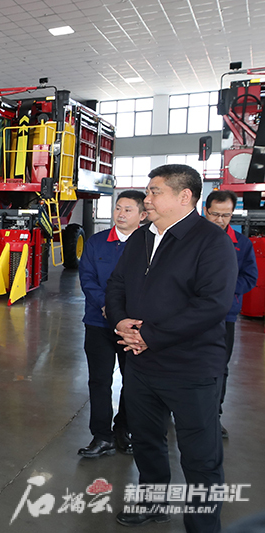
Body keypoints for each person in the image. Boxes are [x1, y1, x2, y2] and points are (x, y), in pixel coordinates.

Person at [105, 164, 236, 532]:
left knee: (200, 458)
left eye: (155, 191)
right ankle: (154, 503)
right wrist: (120, 321)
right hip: (142, 365)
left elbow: (212, 305)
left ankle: (203, 526)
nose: (147, 198)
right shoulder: (141, 238)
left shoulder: (211, 242)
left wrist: (152, 335)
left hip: (191, 368)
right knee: (147, 441)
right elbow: (117, 285)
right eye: (148, 191)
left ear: (184, 196)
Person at [77, 190, 147, 458]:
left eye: (128, 210)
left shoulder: (148, 245)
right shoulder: (96, 243)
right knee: (99, 380)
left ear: (142, 215)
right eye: (118, 208)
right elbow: (87, 279)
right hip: (98, 322)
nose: (121, 214)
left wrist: (127, 316)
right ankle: (101, 436)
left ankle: (123, 429)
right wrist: (107, 308)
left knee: (134, 381)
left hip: (133, 327)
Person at [203, 190, 258, 438]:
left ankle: (213, 416)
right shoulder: (190, 239)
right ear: (206, 211)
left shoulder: (241, 244)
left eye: (226, 215)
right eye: (215, 214)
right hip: (188, 313)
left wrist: (223, 290)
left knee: (218, 366)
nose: (220, 220)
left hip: (224, 316)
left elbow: (250, 277)